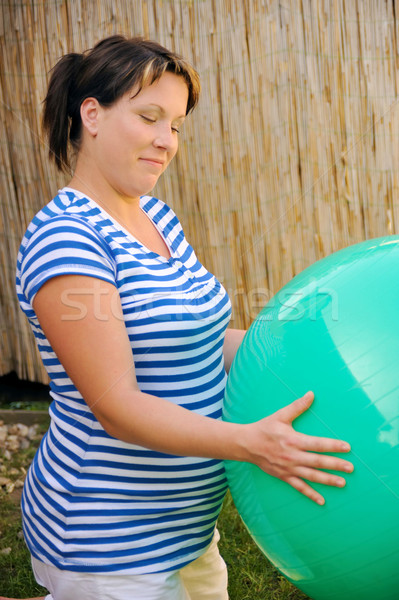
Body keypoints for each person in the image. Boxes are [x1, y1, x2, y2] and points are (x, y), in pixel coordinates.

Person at [10, 35, 353, 600]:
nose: (166, 141)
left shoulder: (156, 218)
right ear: (91, 115)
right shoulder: (67, 239)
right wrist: (250, 442)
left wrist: (305, 349)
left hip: (186, 531)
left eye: (175, 125)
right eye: (149, 117)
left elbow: (206, 338)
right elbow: (117, 407)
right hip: (109, 541)